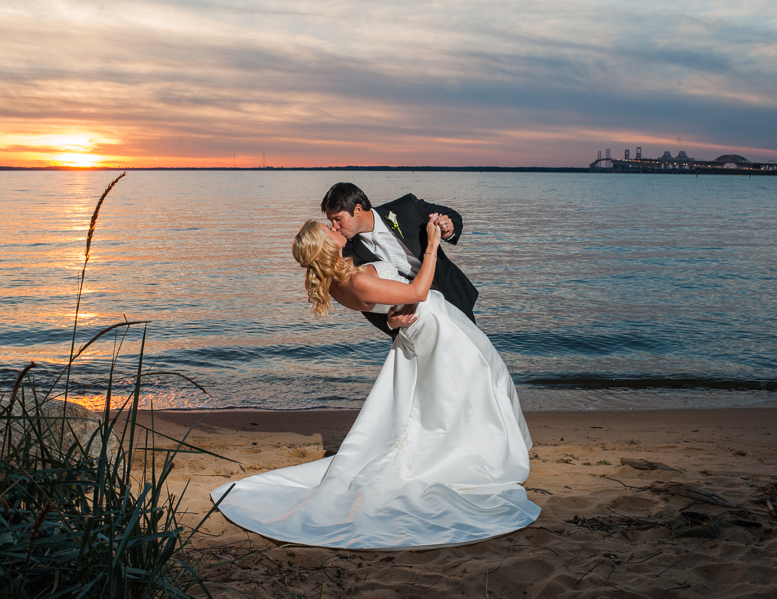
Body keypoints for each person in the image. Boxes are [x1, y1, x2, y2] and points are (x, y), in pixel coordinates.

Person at [210, 217, 539, 550]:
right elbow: (418, 292)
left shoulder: (339, 280)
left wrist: (392, 319)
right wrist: (432, 245)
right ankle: (483, 457)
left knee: (461, 391)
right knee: (475, 384)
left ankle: (483, 448)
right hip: (436, 328)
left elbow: (388, 306)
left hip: (427, 327)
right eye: (328, 229)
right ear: (325, 246)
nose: (334, 227)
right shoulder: (352, 282)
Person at [321, 182, 478, 337]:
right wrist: (389, 323)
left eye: (338, 219)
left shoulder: (406, 207)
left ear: (357, 209)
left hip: (453, 298)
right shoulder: (348, 255)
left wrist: (448, 230)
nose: (334, 226)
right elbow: (365, 299)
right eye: (331, 221)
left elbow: (452, 216)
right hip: (417, 324)